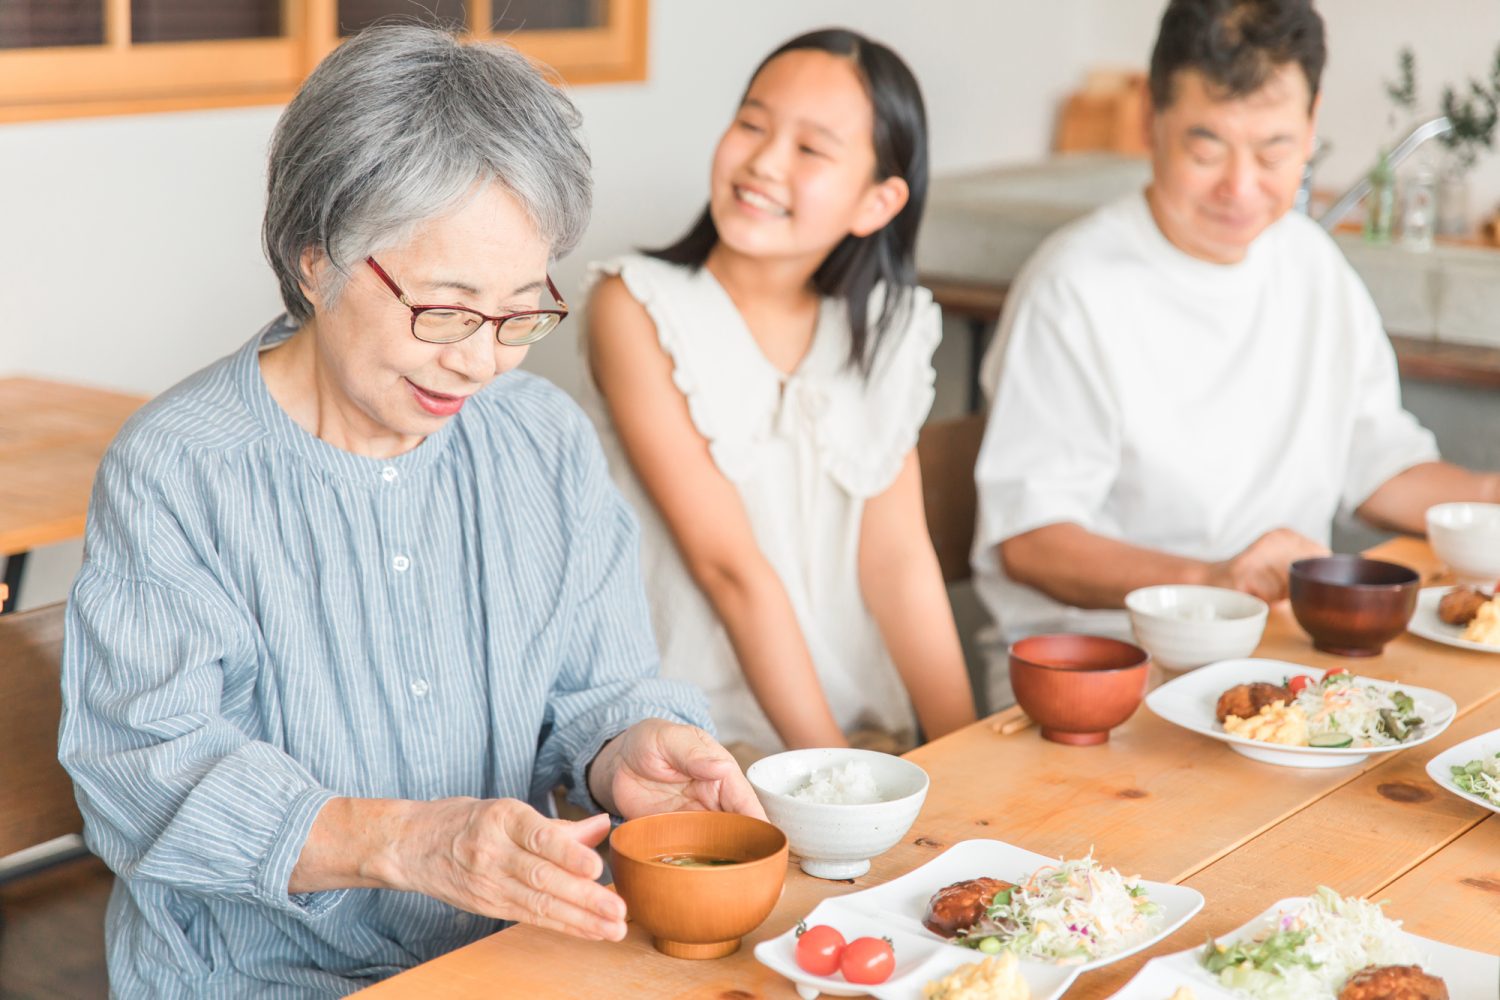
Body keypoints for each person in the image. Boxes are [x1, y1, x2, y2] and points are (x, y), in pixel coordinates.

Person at [58, 25, 761, 998]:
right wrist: (404, 841)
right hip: (265, 979)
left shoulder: (541, 439)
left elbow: (598, 685)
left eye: (520, 311)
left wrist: (626, 748)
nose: (481, 358)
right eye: (445, 308)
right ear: (316, 260)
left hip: (514, 959)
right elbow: (148, 775)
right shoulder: (182, 469)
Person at [972, 0, 1500, 703]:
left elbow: (1378, 464)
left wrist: (1489, 495)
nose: (1241, 188)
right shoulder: (1076, 287)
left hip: (1276, 665)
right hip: (1101, 682)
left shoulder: (1310, 266)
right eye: (1207, 147)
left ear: (1312, 128)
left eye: (1275, 148)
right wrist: (1214, 582)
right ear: (1150, 122)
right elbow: (1033, 540)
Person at [581, 29, 977, 762]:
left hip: (863, 736)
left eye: (811, 148)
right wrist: (833, 777)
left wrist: (969, 757)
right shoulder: (635, 306)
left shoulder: (888, 328)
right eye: (752, 123)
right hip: (690, 750)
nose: (763, 161)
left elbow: (897, 561)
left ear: (877, 201)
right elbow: (727, 569)